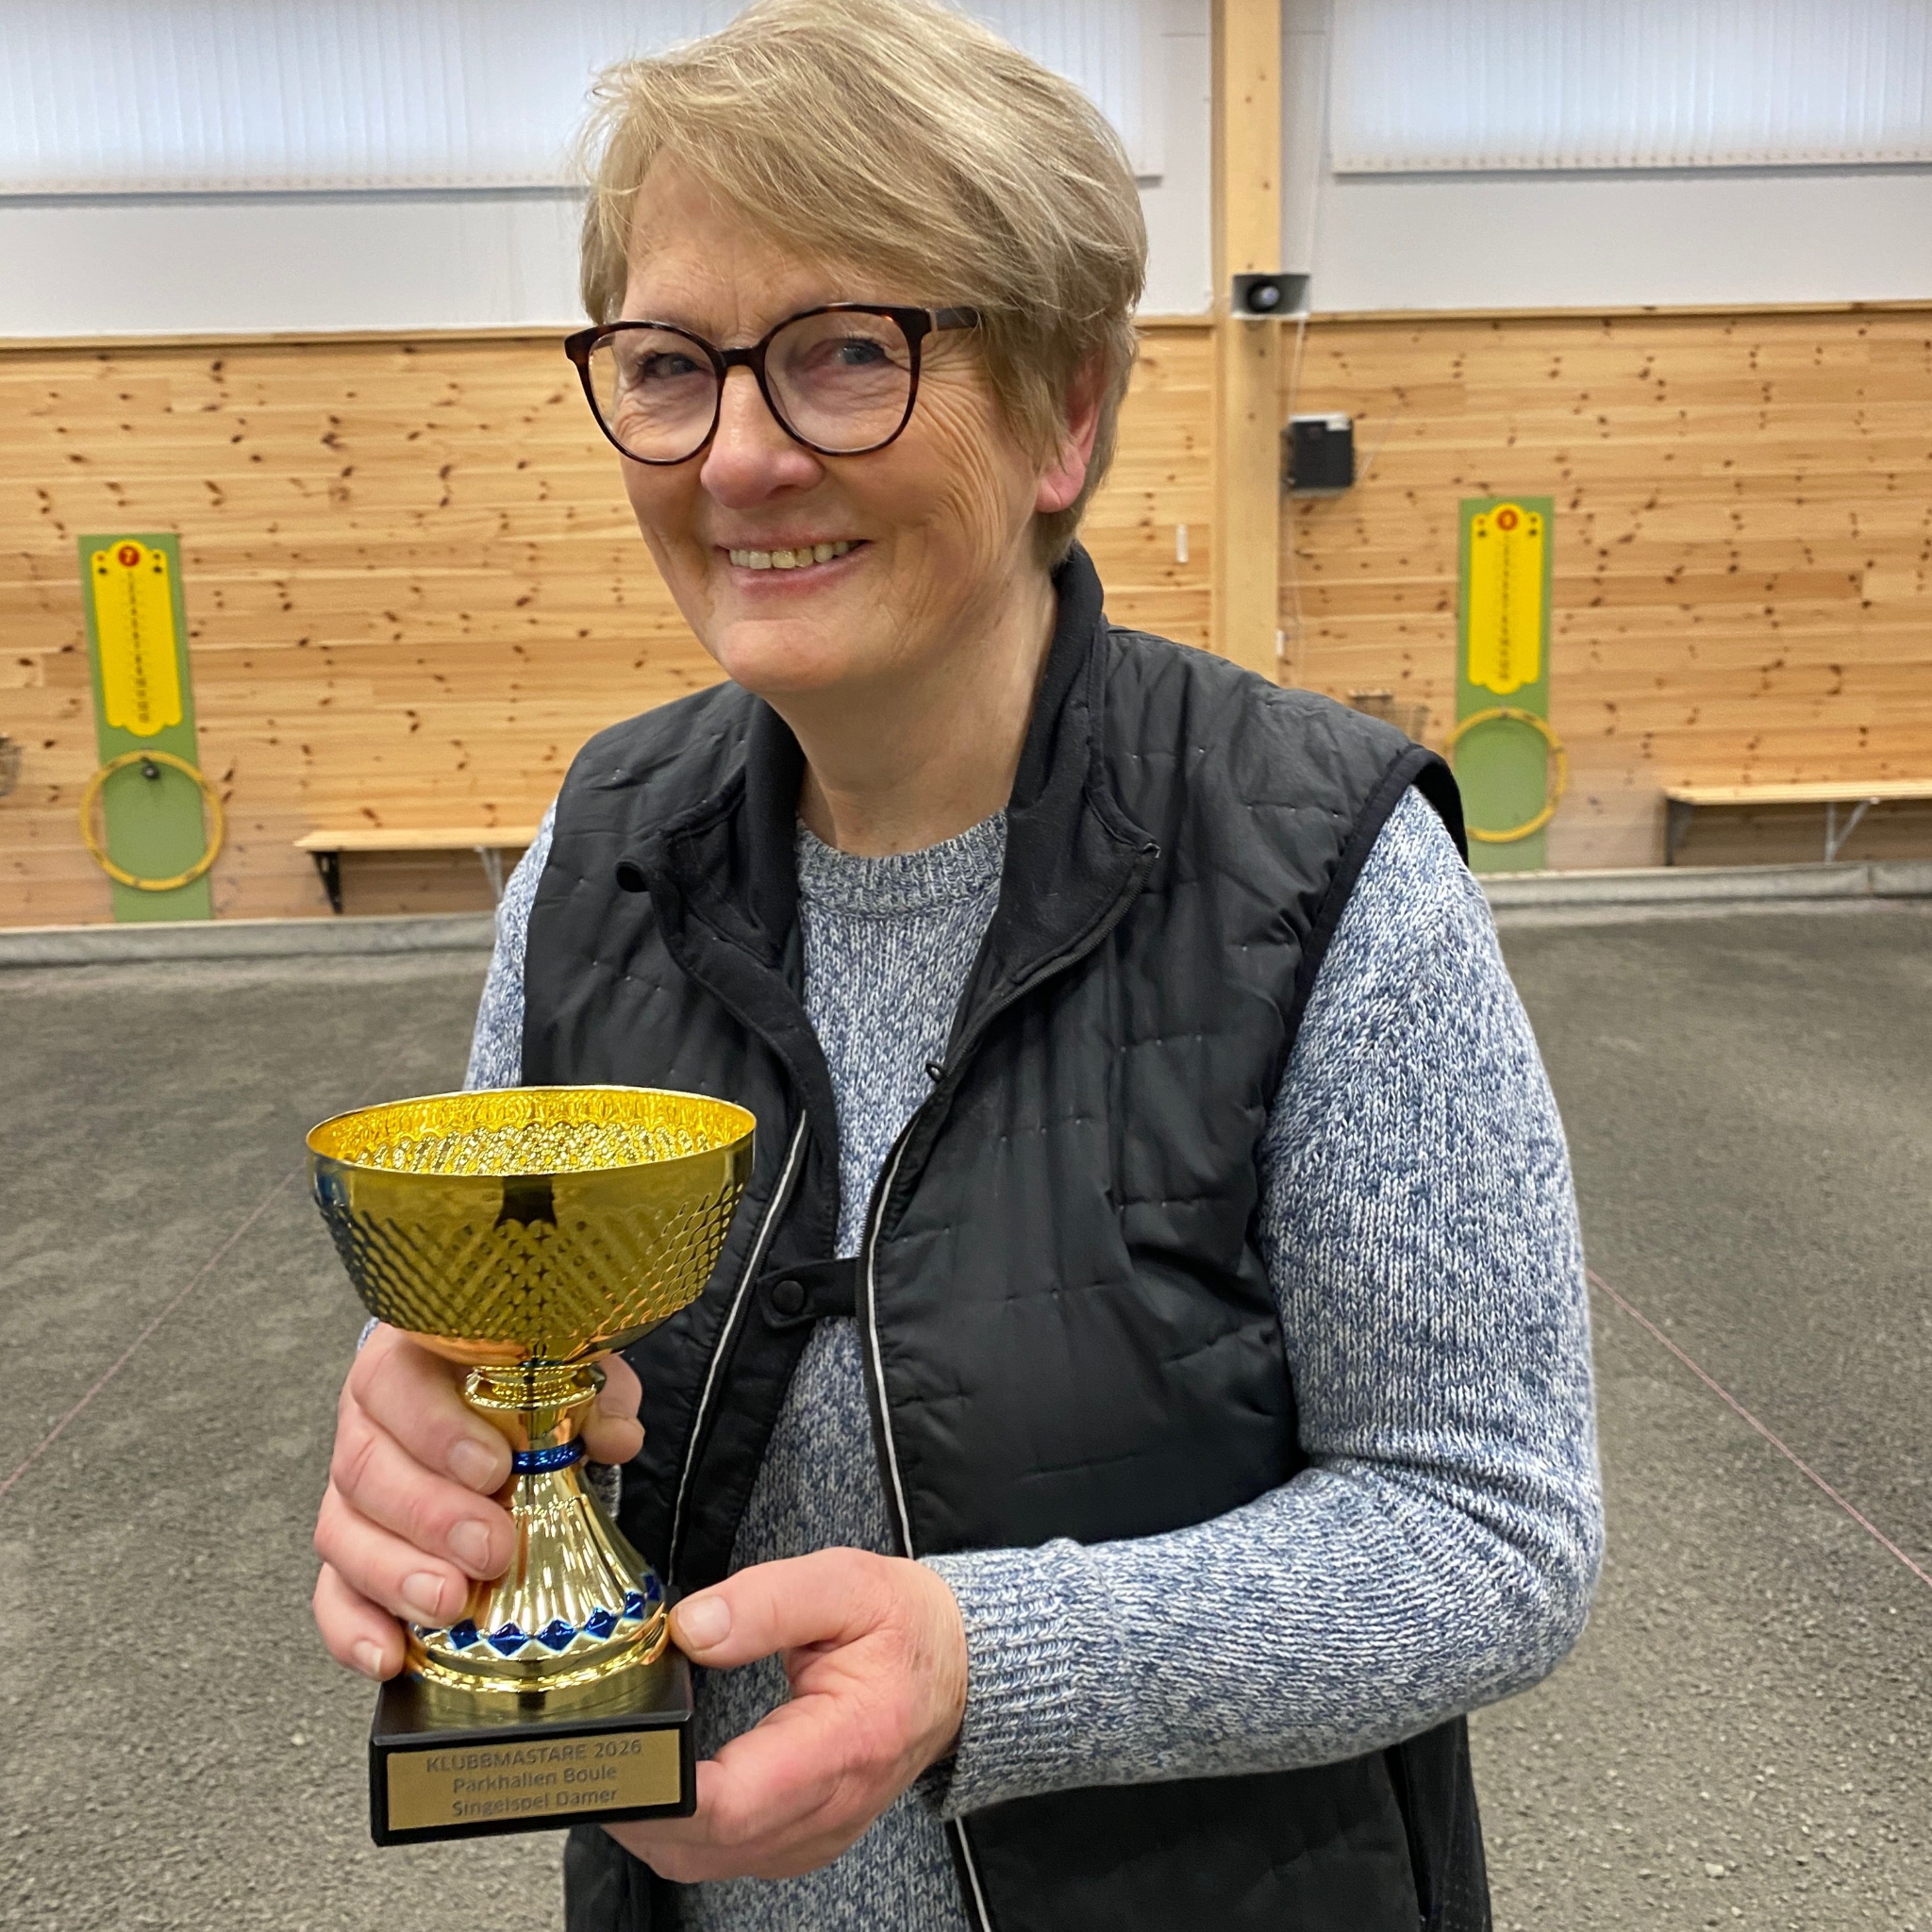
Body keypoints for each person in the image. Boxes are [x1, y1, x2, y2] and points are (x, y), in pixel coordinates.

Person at [311, 4, 1603, 1927]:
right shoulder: (597, 856)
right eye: (668, 366)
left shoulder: (1326, 867)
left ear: (1065, 414)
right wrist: (441, 1444)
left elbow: (1490, 1527)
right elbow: (526, 1367)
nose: (740, 454)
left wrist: (986, 1660)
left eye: (846, 351)